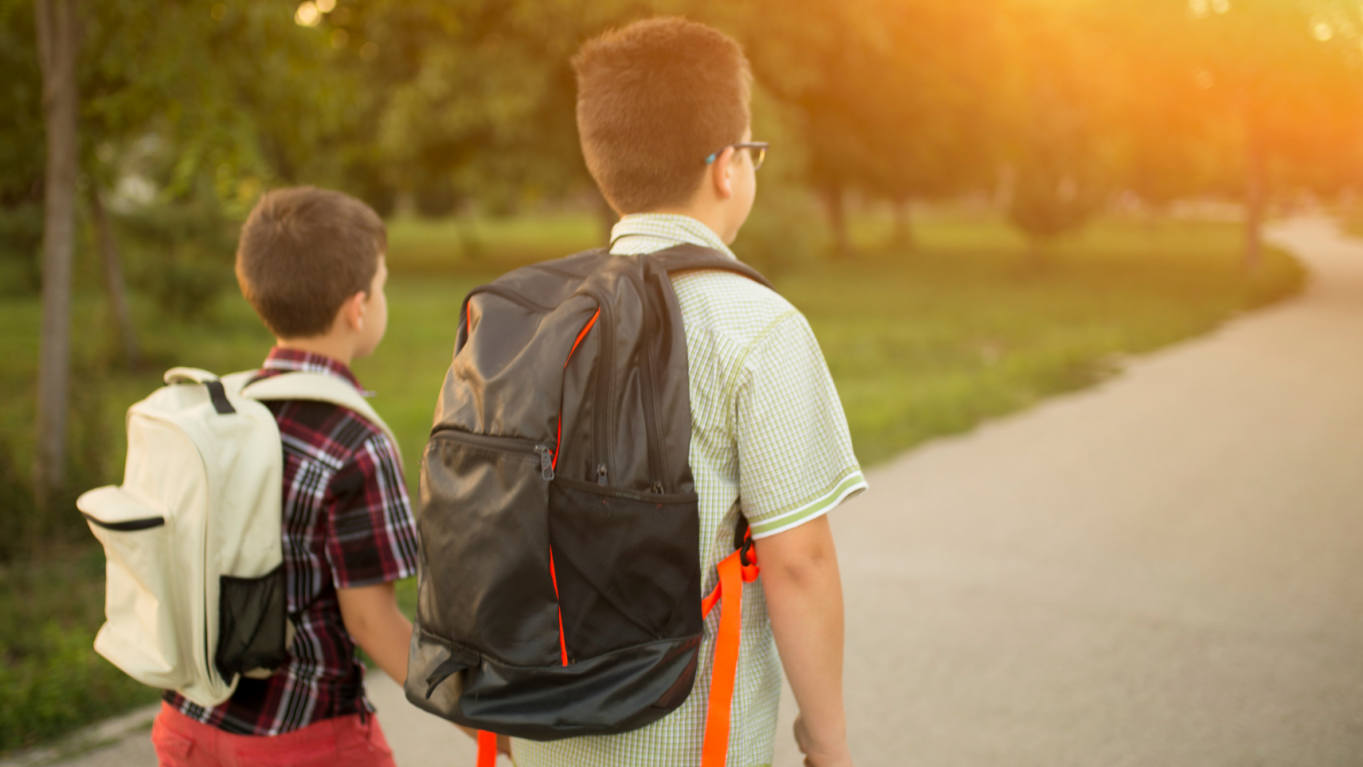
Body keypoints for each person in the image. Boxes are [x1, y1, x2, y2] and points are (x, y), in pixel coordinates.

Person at [510, 18, 868, 767]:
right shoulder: (757, 324)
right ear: (727, 167)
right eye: (753, 151)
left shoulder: (530, 319)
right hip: (691, 744)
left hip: (540, 733)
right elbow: (797, 558)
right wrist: (827, 739)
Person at [150, 187, 419, 766]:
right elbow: (373, 624)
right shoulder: (356, 443)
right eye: (383, 283)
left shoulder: (219, 412)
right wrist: (482, 725)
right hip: (304, 740)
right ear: (358, 307)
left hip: (188, 724)